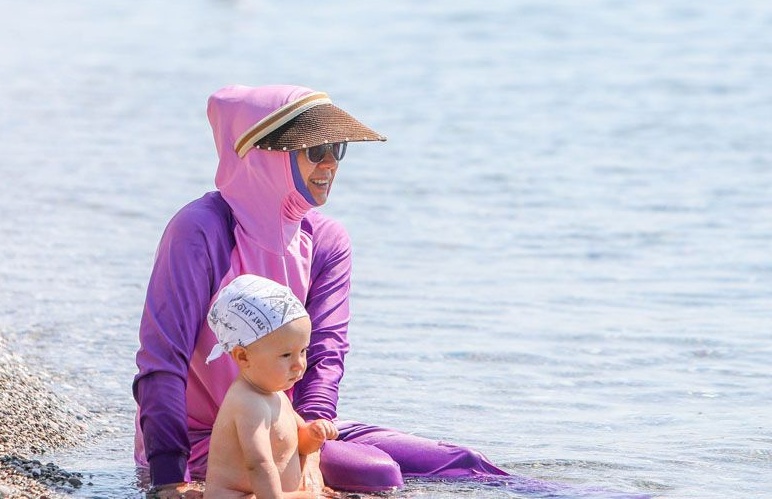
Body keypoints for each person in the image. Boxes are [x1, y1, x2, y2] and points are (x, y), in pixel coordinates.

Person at [134, 86, 511, 498]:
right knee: (377, 473)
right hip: (212, 441)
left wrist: (311, 445)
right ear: (264, 155)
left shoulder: (326, 239)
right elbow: (162, 359)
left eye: (337, 148)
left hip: (293, 424)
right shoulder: (200, 231)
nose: (331, 163)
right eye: (316, 151)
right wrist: (169, 480)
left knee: (463, 465)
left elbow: (326, 354)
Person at [203, 275, 338, 499]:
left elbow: (297, 445)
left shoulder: (276, 394)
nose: (299, 364)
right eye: (286, 355)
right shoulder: (247, 402)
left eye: (303, 351)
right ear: (243, 356)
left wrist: (313, 434)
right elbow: (258, 463)